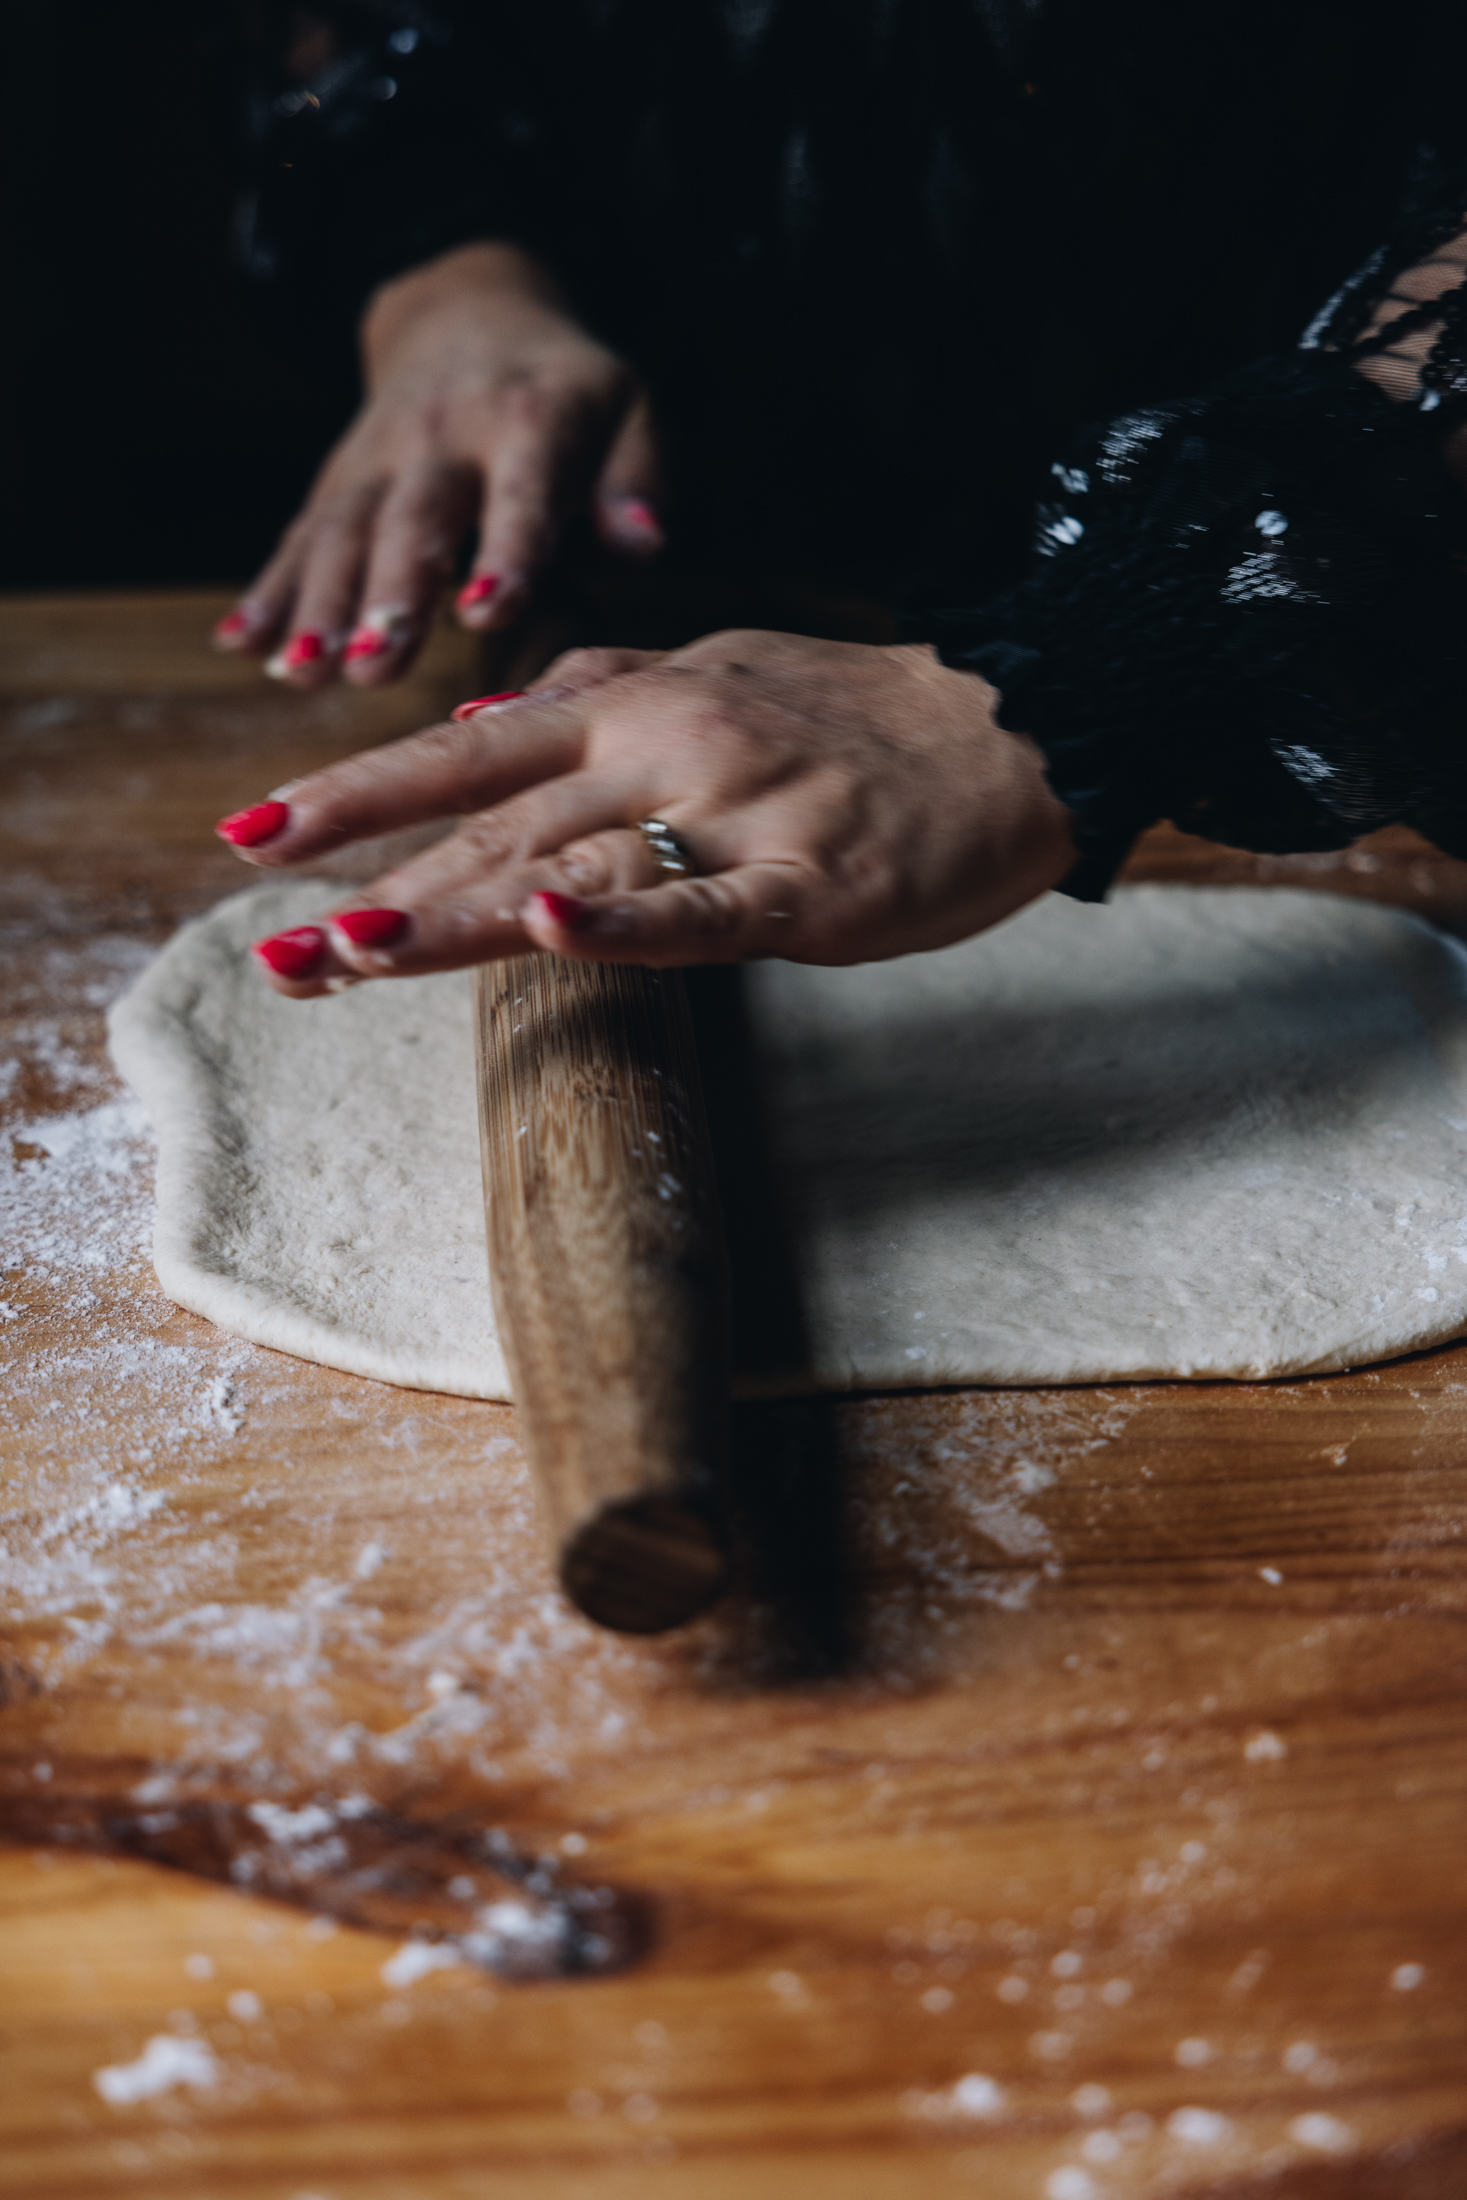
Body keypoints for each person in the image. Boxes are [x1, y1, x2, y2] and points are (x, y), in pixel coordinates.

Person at [209, 3, 1467, 992]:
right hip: (675, 624)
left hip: (1329, 649)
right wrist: (450, 283)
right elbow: (377, 41)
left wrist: (1096, 665)